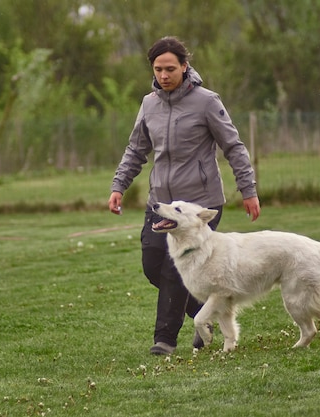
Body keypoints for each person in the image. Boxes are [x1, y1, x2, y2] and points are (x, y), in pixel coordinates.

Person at [108, 36, 260, 355]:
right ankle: (202, 313)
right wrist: (118, 185)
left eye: (171, 69)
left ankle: (164, 339)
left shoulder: (207, 101)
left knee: (173, 271)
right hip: (160, 203)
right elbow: (136, 148)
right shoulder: (149, 104)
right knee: (153, 266)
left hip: (199, 205)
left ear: (185, 67)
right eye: (158, 69)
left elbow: (233, 146)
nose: (164, 75)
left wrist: (248, 189)